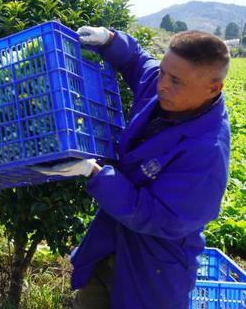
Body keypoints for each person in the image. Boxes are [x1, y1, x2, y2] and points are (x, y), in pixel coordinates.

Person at [33, 27, 231, 309]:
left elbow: (156, 216)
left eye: (176, 81)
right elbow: (138, 62)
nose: (163, 84)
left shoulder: (207, 151)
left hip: (152, 267)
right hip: (111, 243)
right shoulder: (164, 89)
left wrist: (96, 173)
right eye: (164, 72)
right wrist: (111, 41)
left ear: (213, 88)